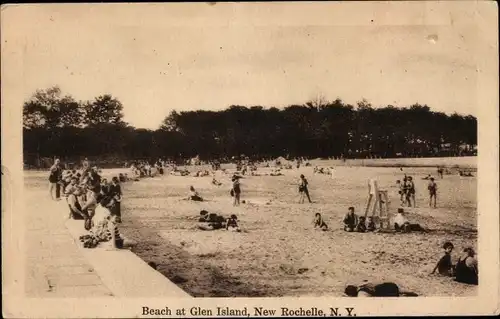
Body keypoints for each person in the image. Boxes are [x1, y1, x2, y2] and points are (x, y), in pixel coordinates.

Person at [344, 282, 418, 297]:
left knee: (398, 296)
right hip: (386, 286)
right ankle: (409, 292)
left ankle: (408, 295)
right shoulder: (362, 285)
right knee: (399, 291)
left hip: (384, 293)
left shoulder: (361, 294)